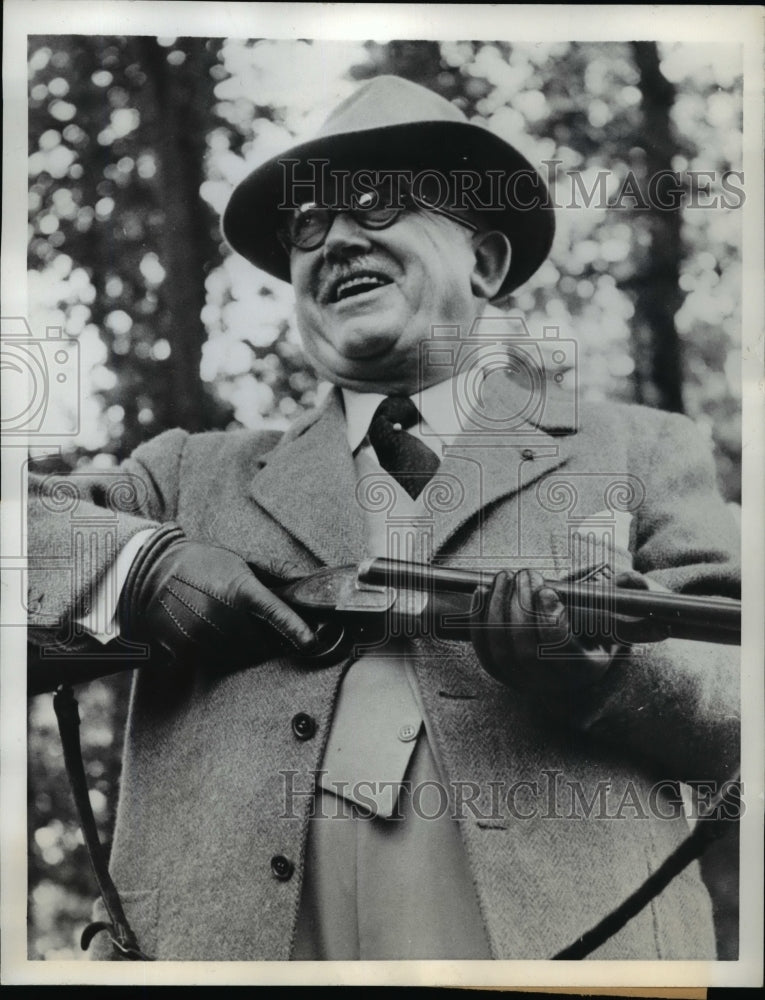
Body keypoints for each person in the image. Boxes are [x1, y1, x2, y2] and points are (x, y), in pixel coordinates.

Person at [28, 75, 740, 962]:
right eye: (305, 227)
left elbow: (741, 687)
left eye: (373, 203)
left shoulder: (636, 449)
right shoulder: (184, 474)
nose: (333, 241)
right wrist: (137, 569)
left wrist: (607, 669)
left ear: (480, 264)